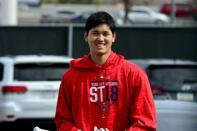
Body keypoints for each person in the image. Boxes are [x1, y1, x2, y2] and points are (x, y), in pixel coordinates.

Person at [54, 11, 156, 131]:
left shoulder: (134, 75)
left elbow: (146, 123)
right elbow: (62, 120)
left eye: (105, 33)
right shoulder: (70, 77)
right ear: (86, 36)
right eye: (95, 33)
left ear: (113, 37)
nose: (100, 38)